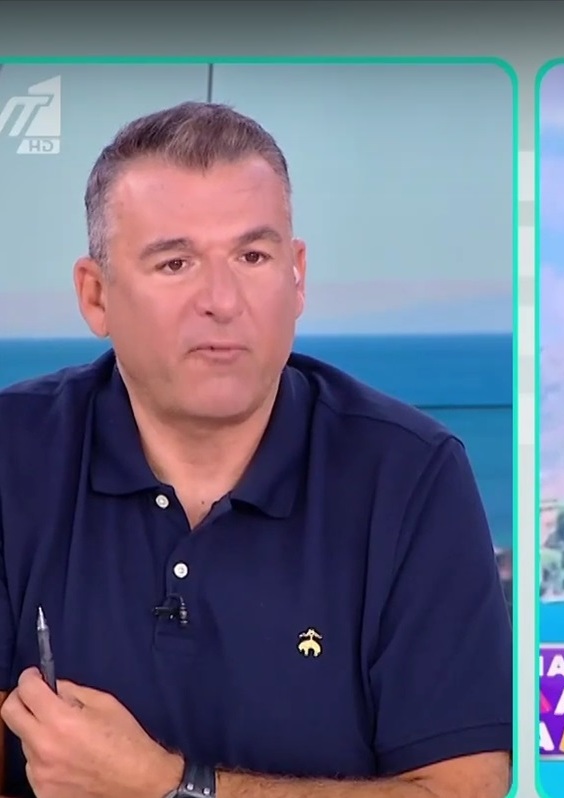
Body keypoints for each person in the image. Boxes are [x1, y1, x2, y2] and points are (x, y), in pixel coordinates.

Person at [0, 102, 513, 798]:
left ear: (296, 277)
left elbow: (459, 789)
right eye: (175, 262)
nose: (222, 299)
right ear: (96, 297)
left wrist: (172, 787)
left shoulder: (411, 476)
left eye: (252, 256)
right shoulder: (14, 457)